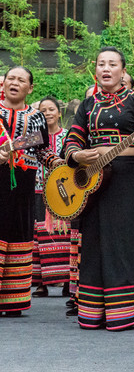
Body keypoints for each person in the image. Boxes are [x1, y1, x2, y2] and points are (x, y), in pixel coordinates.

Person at [63, 46, 134, 330]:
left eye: (112, 64)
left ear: (123, 71)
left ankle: (123, 312)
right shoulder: (87, 105)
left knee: (123, 241)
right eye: (101, 63)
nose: (106, 69)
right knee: (94, 241)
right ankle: (92, 312)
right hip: (92, 180)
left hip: (126, 178)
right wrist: (78, 155)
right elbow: (72, 139)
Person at [0, 67, 60, 317]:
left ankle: (13, 300)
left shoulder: (36, 117)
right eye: (10, 79)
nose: (14, 83)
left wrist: (55, 162)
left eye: (21, 80)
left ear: (30, 88)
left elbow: (42, 150)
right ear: (3, 84)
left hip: (24, 184)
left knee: (20, 234)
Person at [32, 96, 71, 298]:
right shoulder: (34, 137)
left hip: (63, 192)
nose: (47, 113)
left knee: (64, 235)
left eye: (51, 109)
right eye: (43, 110)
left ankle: (66, 280)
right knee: (39, 237)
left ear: (59, 112)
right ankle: (41, 283)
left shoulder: (68, 136)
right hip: (38, 189)